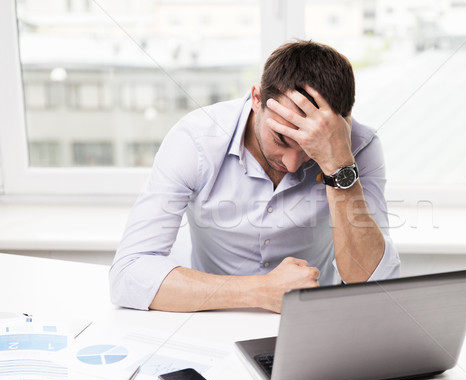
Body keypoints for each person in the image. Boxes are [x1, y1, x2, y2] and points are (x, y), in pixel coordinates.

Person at [109, 40, 401, 313]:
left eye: (311, 148)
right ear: (257, 99)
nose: (292, 163)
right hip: (210, 317)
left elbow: (374, 284)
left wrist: (338, 166)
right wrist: (260, 290)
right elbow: (128, 274)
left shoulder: (358, 147)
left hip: (312, 321)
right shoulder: (196, 139)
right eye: (282, 139)